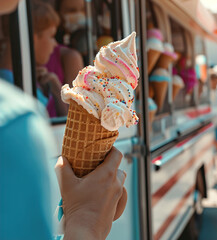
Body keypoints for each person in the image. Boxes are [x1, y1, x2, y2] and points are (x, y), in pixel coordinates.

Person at [0, 1, 127, 239]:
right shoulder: (13, 126)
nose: (55, 45)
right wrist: (86, 221)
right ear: (32, 37)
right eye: (50, 36)